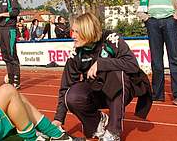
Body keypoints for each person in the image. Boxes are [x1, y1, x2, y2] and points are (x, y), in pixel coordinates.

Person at [52, 13, 152, 141]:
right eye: (72, 31)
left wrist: (102, 63)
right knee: (71, 96)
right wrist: (58, 119)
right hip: (97, 91)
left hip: (122, 89)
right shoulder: (76, 53)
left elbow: (132, 65)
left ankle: (113, 132)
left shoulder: (110, 39)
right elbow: (66, 86)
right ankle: (98, 122)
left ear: (87, 31)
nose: (73, 36)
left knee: (115, 74)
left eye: (76, 32)